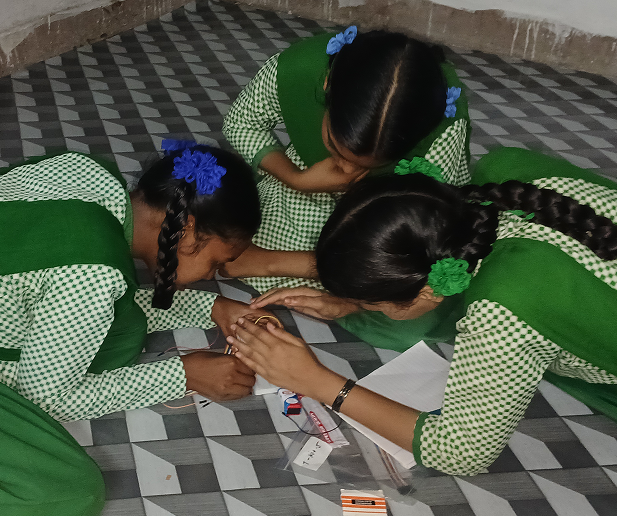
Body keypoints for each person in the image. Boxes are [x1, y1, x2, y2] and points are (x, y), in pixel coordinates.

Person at [228, 147, 617, 476]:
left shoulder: (502, 310)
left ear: (429, 290)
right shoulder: (502, 173)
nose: (366, 309)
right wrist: (353, 300)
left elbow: (463, 453)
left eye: (373, 304)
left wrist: (318, 382)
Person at [0, 143, 271, 515]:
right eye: (215, 262)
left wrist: (211, 306)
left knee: (121, 328)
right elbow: (48, 398)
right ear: (188, 232)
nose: (211, 275)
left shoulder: (87, 172)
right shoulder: (94, 272)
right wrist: (184, 375)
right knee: (67, 491)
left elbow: (75, 287)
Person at [222, 26, 471, 294]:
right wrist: (297, 179)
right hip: (302, 182)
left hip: (389, 207)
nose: (347, 171)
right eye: (335, 147)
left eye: (370, 166)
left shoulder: (442, 126)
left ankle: (292, 265)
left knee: (410, 279)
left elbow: (430, 223)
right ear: (327, 86)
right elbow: (241, 123)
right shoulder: (301, 67)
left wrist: (283, 264)